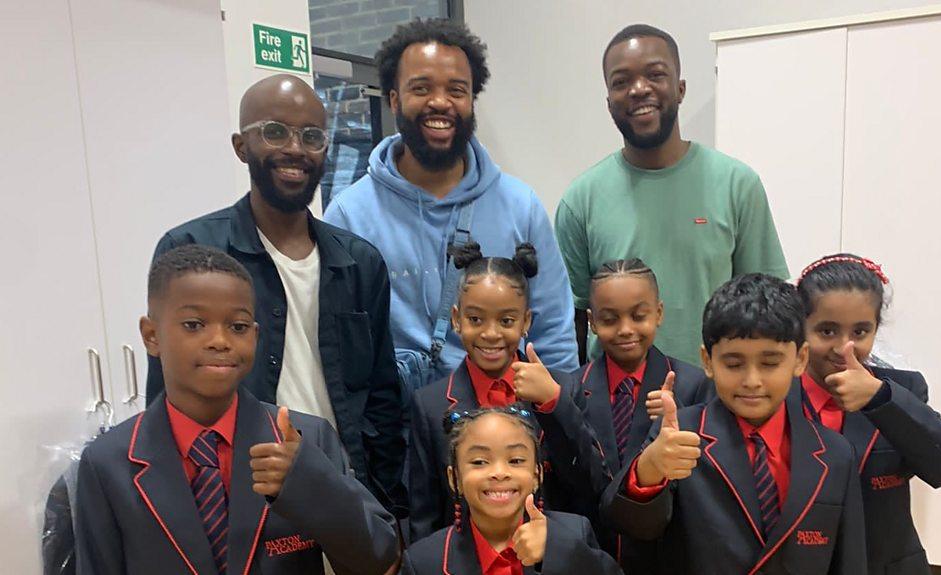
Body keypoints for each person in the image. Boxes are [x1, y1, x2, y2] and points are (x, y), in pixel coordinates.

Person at [146, 74, 405, 514]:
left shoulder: (360, 263)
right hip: (234, 492)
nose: (295, 149)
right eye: (274, 131)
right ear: (241, 146)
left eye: (311, 136)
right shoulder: (191, 253)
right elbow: (163, 398)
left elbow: (383, 401)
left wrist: (389, 515)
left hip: (342, 492)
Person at [75, 245, 399, 575]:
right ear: (151, 335)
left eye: (238, 326)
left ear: (256, 336)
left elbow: (378, 558)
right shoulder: (107, 464)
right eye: (193, 324)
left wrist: (311, 484)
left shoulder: (305, 439)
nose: (219, 340)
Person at [323, 18, 578, 391]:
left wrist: (558, 420)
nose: (440, 102)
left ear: (472, 100)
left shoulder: (520, 206)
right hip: (396, 432)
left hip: (503, 430)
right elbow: (337, 346)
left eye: (456, 90)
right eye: (421, 88)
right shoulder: (349, 215)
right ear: (394, 99)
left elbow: (553, 330)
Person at [556, 24, 788, 366]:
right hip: (616, 408)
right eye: (621, 82)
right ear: (609, 103)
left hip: (714, 401)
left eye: (655, 74)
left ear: (680, 89)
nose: (638, 89)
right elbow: (571, 321)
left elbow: (765, 307)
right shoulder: (580, 201)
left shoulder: (737, 184)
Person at [602, 274, 867, 574]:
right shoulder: (680, 434)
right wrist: (649, 471)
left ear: (800, 359)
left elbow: (849, 561)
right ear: (707, 361)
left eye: (770, 363)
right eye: (733, 363)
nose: (751, 381)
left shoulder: (835, 453)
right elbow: (631, 527)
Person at [408, 243, 608, 542]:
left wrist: (554, 404)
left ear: (526, 321)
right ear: (456, 319)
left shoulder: (562, 388)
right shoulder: (430, 405)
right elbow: (424, 514)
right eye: (475, 319)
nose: (491, 334)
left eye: (506, 321)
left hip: (552, 553)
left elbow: (592, 485)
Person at [796, 254, 941, 575]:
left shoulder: (901, 390)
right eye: (826, 331)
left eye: (860, 332)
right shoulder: (777, 395)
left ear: (876, 328)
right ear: (800, 328)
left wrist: (882, 400)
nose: (844, 348)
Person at [576, 258, 709, 573]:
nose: (626, 330)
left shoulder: (694, 386)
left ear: (659, 313)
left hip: (667, 556)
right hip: (591, 554)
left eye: (638, 316)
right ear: (592, 321)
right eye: (610, 319)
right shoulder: (570, 389)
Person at [402, 408, 622, 574]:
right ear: (454, 478)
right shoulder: (423, 561)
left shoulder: (574, 533)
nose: (499, 472)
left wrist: (559, 548)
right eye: (479, 462)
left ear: (537, 475)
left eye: (515, 460)